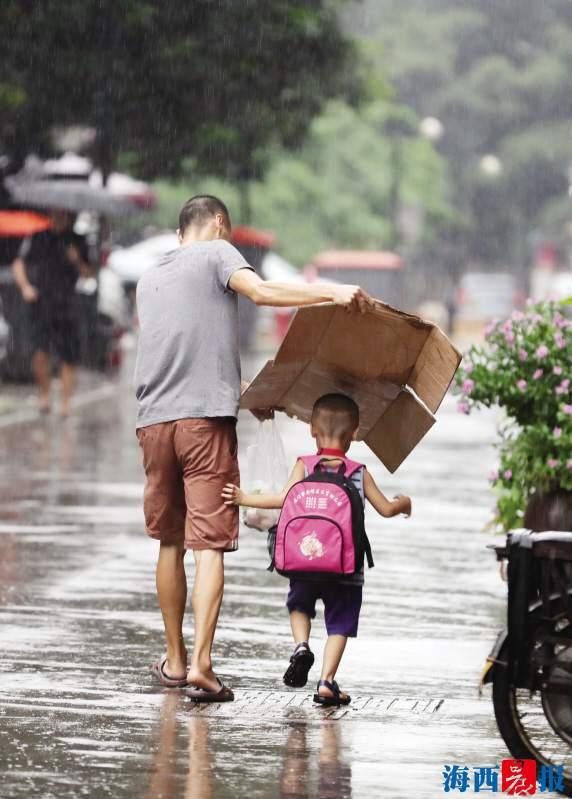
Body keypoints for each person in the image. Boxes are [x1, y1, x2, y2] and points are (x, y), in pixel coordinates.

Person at [134, 195, 372, 702]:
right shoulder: (217, 252)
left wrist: (244, 398)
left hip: (153, 424)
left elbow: (180, 355)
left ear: (180, 234)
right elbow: (262, 292)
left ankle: (174, 661)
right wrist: (332, 292)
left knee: (170, 542)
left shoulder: (150, 276)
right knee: (208, 545)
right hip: (203, 428)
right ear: (220, 225)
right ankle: (202, 664)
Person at [222, 393, 412, 706]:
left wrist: (244, 498)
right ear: (355, 433)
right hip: (345, 567)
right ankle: (327, 681)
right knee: (340, 622)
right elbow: (387, 509)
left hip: (304, 562)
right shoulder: (358, 472)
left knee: (299, 606)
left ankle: (301, 645)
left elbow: (282, 499)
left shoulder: (304, 466)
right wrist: (404, 503)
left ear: (312, 430)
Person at [12, 209, 92, 416]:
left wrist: (76, 259)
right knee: (39, 352)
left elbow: (89, 273)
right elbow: (18, 263)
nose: (59, 216)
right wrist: (25, 287)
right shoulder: (38, 237)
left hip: (68, 303)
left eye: (63, 213)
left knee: (69, 356)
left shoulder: (78, 240)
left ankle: (65, 402)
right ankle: (45, 394)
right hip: (42, 302)